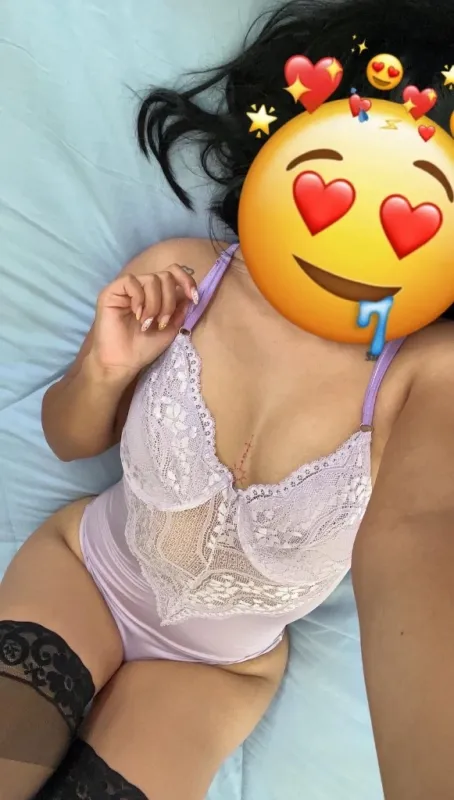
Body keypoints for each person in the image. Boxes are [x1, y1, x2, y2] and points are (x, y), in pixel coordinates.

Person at [1, 0, 454, 797]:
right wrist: (105, 368)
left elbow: (424, 528)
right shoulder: (184, 275)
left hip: (216, 671)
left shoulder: (424, 376)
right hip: (85, 569)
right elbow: (68, 439)